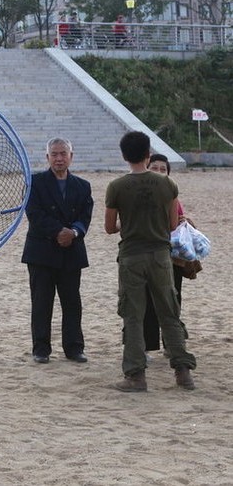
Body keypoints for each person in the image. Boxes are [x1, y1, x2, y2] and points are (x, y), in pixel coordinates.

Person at [105, 131, 197, 392]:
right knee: (169, 312)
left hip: (132, 255)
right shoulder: (167, 185)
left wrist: (129, 222)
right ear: (148, 154)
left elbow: (110, 227)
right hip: (160, 255)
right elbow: (171, 224)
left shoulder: (117, 186)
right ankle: (183, 371)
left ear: (124, 156)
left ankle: (136, 375)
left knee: (133, 315)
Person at [22, 138, 93, 364]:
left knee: (72, 301)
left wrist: (74, 232)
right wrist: (58, 232)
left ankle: (74, 348)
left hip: (71, 250)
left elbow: (85, 215)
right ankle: (41, 349)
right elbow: (34, 214)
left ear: (71, 156)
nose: (59, 158)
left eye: (63, 153)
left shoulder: (83, 186)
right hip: (42, 250)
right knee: (42, 301)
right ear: (47, 157)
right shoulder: (35, 182)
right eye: (54, 154)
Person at [141, 154, 192, 356]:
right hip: (145, 255)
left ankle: (172, 345)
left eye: (164, 170)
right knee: (145, 303)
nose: (160, 173)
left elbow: (177, 222)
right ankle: (146, 346)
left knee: (172, 301)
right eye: (155, 168)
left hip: (172, 257)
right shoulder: (139, 193)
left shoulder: (173, 196)